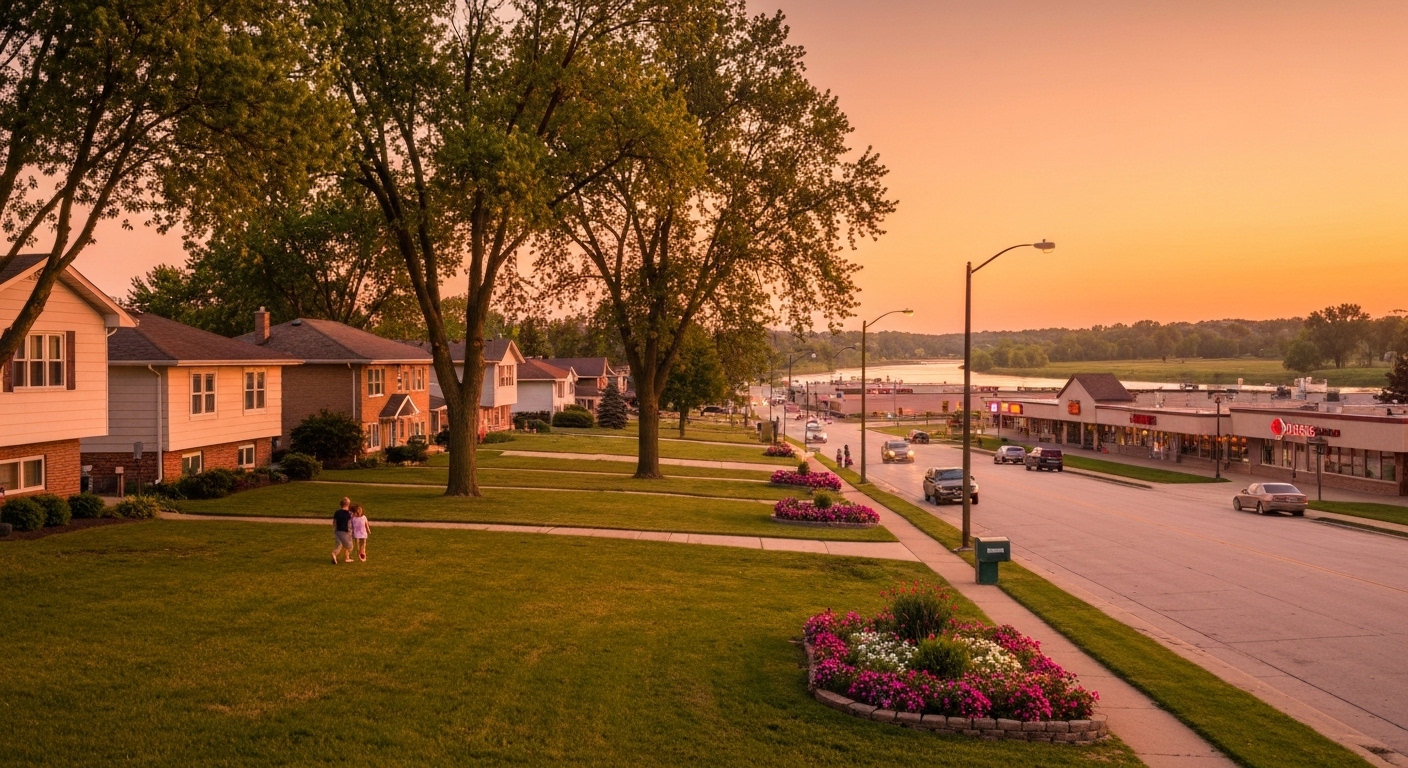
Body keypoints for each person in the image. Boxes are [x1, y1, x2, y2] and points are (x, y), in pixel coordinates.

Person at [332, 497, 354, 564]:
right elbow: (350, 524)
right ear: (348, 504)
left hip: (337, 531)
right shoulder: (349, 514)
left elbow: (334, 523)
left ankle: (334, 554)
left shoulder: (337, 512)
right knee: (350, 546)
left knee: (339, 545)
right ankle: (347, 558)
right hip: (345, 532)